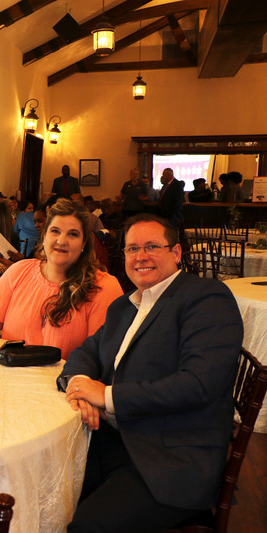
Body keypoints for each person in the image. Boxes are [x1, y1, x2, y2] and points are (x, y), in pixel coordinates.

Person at [59, 213, 243, 532]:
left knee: (86, 526)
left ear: (176, 252)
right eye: (132, 249)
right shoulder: (125, 305)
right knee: (38, 490)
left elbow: (198, 384)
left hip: (170, 460)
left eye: (152, 247)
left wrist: (105, 396)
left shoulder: (205, 298)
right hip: (112, 440)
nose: (140, 256)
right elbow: (86, 351)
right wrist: (79, 384)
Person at [0, 199, 123, 359]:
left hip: (64, 380)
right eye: (55, 231)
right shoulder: (19, 271)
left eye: (73, 234)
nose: (61, 241)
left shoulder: (103, 287)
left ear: (84, 243)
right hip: (12, 374)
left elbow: (99, 356)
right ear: (45, 236)